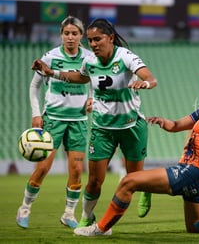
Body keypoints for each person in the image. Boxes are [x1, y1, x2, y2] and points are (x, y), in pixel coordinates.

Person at [72, 71, 199, 236]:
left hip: (194, 172)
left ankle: (100, 228)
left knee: (128, 182)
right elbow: (177, 125)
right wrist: (163, 121)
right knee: (195, 227)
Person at [31, 18, 157, 228]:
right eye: (90, 40)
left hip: (131, 126)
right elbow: (81, 78)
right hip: (102, 128)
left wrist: (145, 82)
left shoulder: (125, 57)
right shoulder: (89, 61)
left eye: (98, 39)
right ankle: (86, 217)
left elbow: (151, 78)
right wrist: (51, 72)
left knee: (134, 178)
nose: (94, 44)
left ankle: (146, 189)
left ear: (111, 38)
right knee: (94, 181)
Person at [16, 16, 92, 229]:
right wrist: (36, 113)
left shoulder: (88, 57)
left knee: (77, 169)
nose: (70, 37)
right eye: (66, 33)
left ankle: (69, 213)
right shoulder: (50, 57)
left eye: (74, 33)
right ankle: (25, 208)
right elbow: (34, 87)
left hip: (78, 120)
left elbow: (93, 79)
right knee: (43, 168)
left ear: (81, 36)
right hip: (54, 120)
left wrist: (92, 98)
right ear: (61, 35)